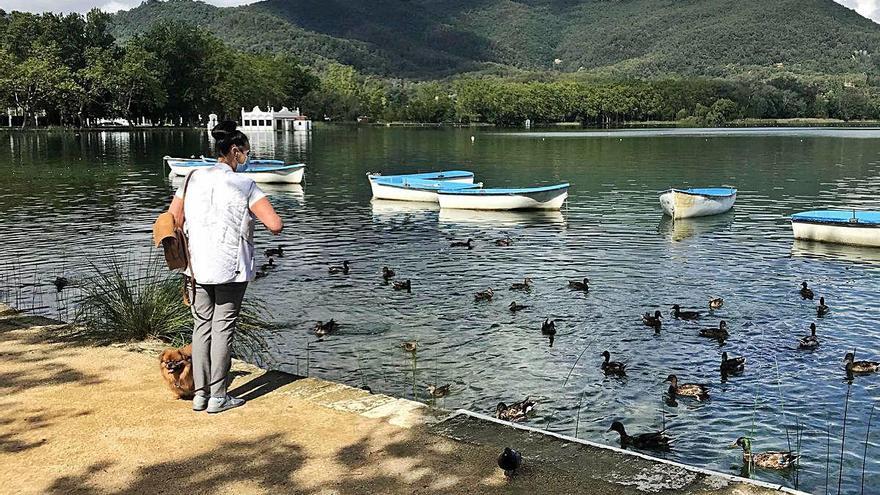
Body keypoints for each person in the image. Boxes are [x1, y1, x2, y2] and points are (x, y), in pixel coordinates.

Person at [167, 120, 282, 413]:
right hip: (230, 267)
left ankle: (200, 395)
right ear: (234, 151)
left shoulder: (191, 177)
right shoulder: (246, 184)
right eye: (245, 152)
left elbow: (173, 219)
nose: (247, 158)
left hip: (196, 266)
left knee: (202, 326)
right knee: (223, 328)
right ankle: (219, 396)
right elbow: (275, 225)